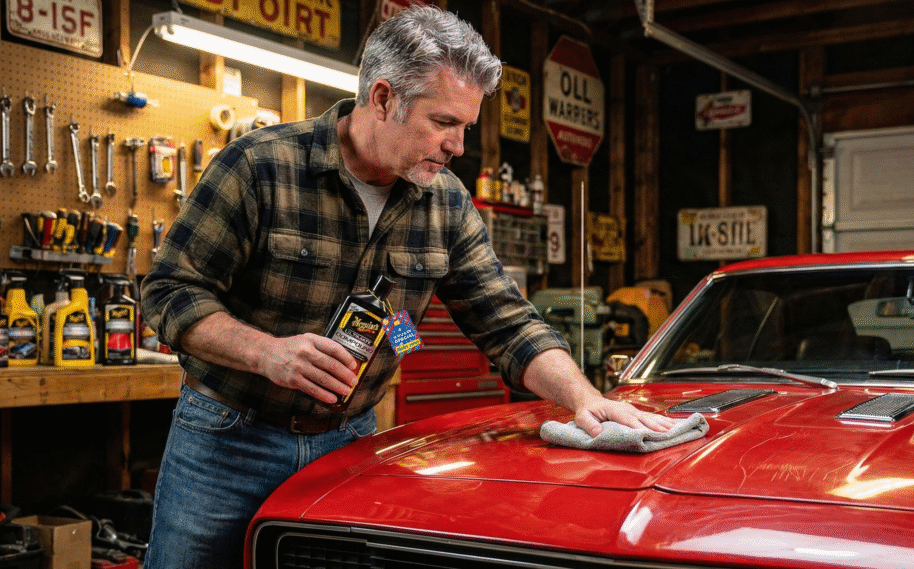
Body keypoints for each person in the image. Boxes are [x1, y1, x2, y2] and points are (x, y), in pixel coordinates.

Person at [139, 5, 675, 568]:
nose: (458, 147)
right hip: (227, 438)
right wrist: (266, 353)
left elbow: (507, 321)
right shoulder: (259, 167)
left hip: (348, 440)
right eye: (444, 123)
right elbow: (170, 290)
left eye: (465, 127)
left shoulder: (446, 202)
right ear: (383, 98)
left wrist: (586, 400)